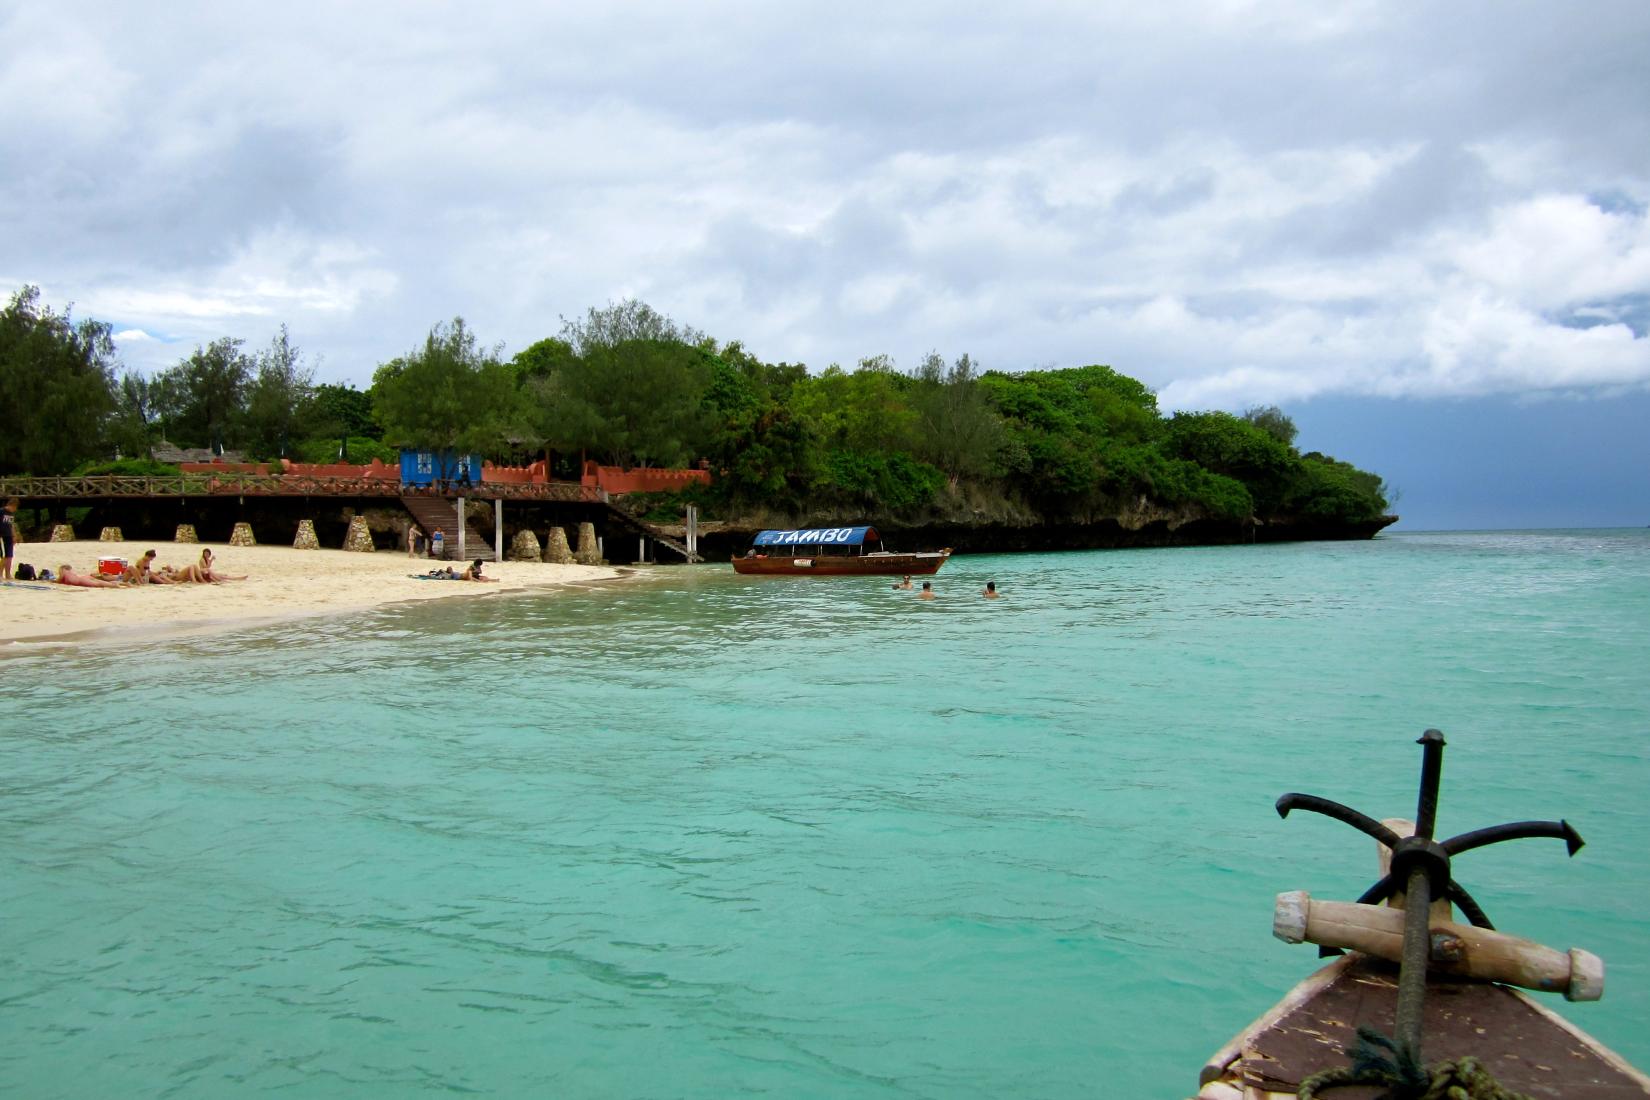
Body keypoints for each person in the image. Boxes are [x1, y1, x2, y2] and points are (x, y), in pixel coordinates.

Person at [54, 564, 126, 589]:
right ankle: (121, 584)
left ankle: (119, 585)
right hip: (83, 578)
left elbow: (59, 580)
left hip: (82, 580)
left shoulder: (63, 571)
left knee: (99, 584)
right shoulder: (71, 574)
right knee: (101, 582)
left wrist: (53, 581)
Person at [1, 497, 17, 581]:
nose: (15, 510)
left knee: (10, 556)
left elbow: (11, 525)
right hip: (2, 536)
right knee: (4, 556)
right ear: (11, 505)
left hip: (9, 536)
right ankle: (0, 574)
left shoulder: (11, 514)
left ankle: (8, 574)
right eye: (15, 508)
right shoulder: (1, 512)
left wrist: (14, 536)